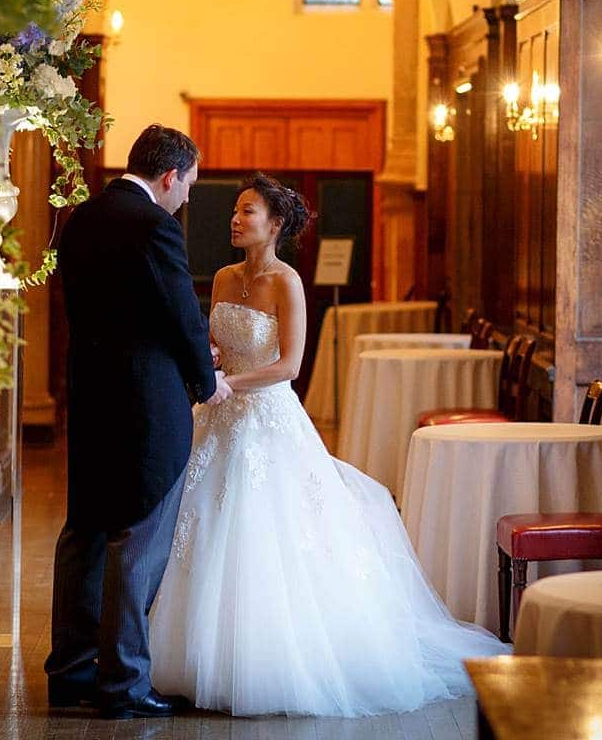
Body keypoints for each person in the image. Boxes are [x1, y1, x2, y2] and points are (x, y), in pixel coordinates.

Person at [148, 172, 506, 718]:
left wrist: (226, 385)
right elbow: (214, 344)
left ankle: (260, 661)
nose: (235, 219)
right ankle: (193, 658)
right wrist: (212, 366)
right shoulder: (221, 278)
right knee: (202, 525)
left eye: (248, 212)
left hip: (264, 418)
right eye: (236, 211)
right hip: (218, 420)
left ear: (276, 224)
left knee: (267, 534)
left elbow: (289, 365)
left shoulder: (286, 281)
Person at [45, 124, 231, 720]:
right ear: (170, 175)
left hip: (91, 395)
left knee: (85, 531)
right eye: (188, 187)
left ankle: (71, 672)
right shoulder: (154, 224)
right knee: (139, 536)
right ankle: (123, 683)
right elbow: (179, 311)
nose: (185, 200)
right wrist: (208, 380)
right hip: (146, 403)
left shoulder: (83, 217)